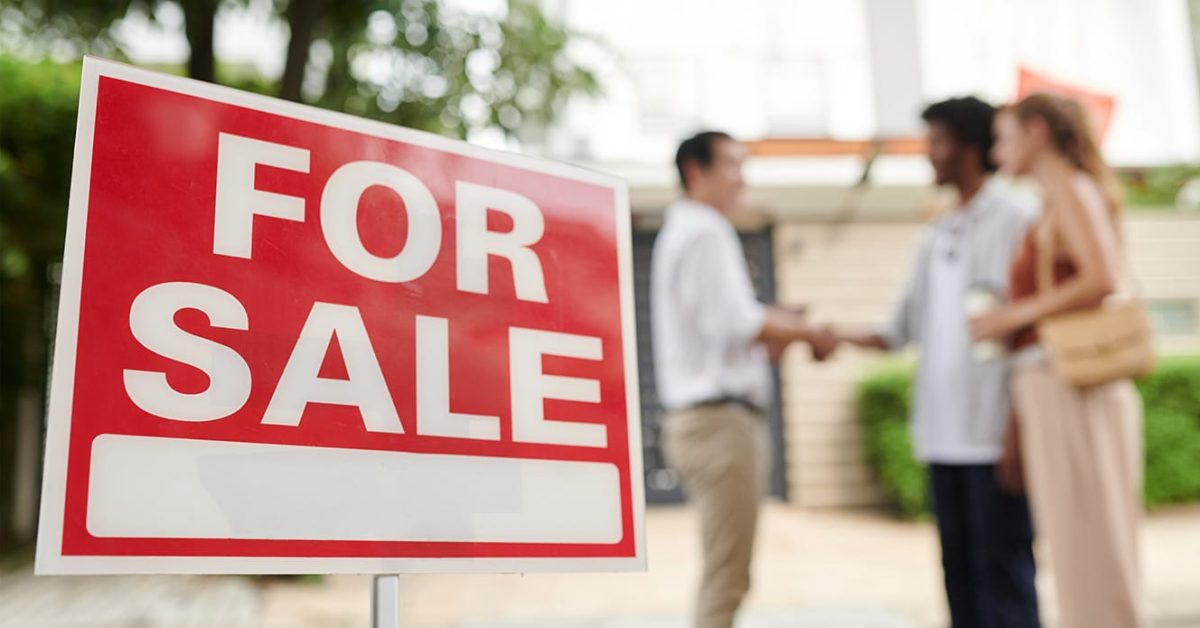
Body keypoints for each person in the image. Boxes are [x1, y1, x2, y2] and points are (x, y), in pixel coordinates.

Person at [838, 97, 1041, 628]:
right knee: (961, 579)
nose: (929, 155)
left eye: (938, 142)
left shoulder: (1017, 215)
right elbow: (897, 330)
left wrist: (1018, 430)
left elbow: (1032, 333)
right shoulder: (936, 233)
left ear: (972, 148)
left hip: (994, 433)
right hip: (942, 437)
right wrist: (823, 333)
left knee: (1007, 580)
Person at [971, 93, 1145, 628]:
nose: (998, 155)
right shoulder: (1053, 199)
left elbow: (1102, 278)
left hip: (1074, 386)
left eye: (1004, 138)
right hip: (1052, 387)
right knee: (1077, 551)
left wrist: (1011, 317)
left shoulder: (1069, 188)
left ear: (1037, 132)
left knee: (1095, 551)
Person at [651, 131, 837, 628]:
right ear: (696, 170)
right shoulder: (705, 229)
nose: (742, 178)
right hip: (720, 425)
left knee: (726, 572)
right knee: (727, 577)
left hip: (709, 422)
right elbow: (734, 322)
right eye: (732, 165)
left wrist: (775, 321)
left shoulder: (686, 231)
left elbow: (727, 324)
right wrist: (807, 331)